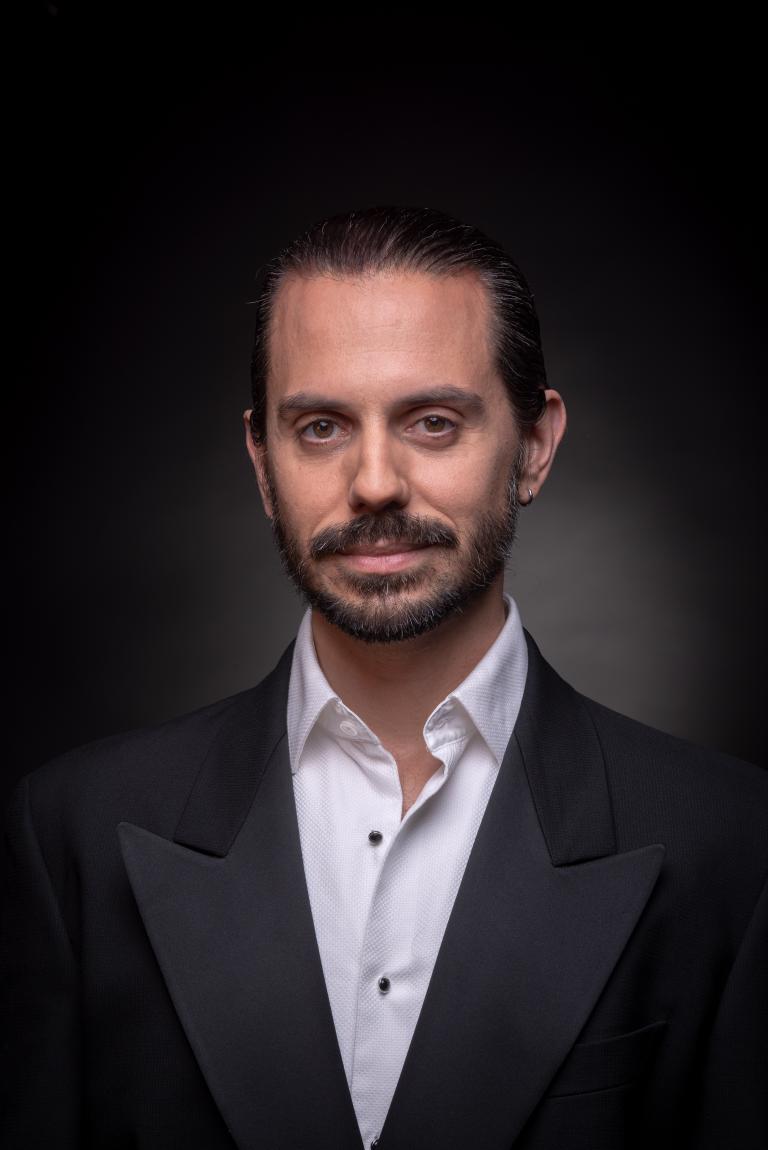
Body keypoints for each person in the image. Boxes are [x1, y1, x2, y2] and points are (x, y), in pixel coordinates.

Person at [1, 205, 766, 1150]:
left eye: (433, 423)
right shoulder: (72, 836)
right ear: (262, 461)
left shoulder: (736, 848)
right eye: (321, 427)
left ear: (534, 445)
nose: (373, 483)